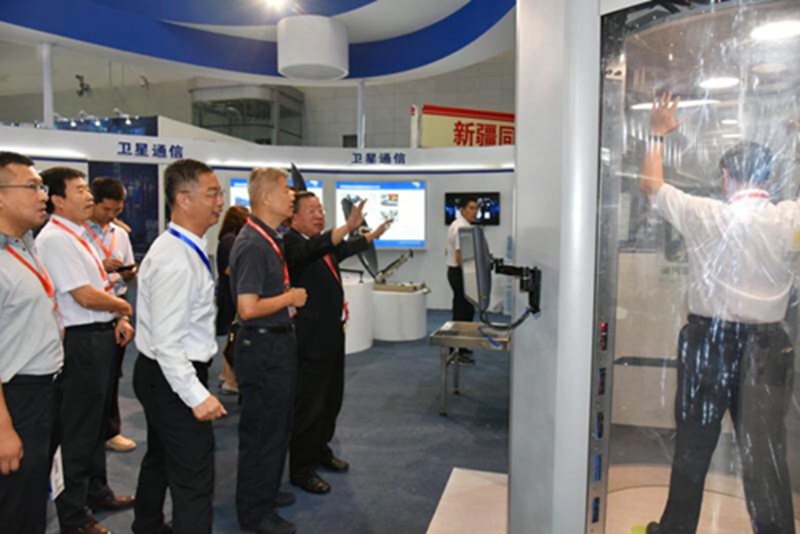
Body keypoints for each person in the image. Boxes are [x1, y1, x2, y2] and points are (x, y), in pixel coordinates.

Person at [642, 93, 800, 534]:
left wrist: (657, 133)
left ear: (726, 177)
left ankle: (676, 530)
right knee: (765, 453)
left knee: (693, 447)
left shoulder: (704, 214)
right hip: (768, 347)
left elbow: (651, 186)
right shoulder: (790, 219)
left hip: (708, 343)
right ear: (770, 177)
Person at [36, 166, 136, 534]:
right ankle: (74, 516)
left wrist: (117, 316)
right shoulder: (55, 239)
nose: (88, 195)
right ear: (57, 200)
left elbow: (101, 284)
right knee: (78, 431)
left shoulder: (79, 235)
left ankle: (97, 491)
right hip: (80, 341)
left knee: (95, 425)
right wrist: (122, 307)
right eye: (79, 189)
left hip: (99, 334)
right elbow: (83, 295)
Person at [132, 159, 227, 534]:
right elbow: (167, 342)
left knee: (160, 456)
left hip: (161, 372)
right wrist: (195, 395)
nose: (220, 201)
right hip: (172, 375)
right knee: (194, 476)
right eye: (212, 193)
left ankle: (147, 525)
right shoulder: (175, 260)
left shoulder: (183, 248)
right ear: (184, 199)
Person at [285, 191, 390, 494]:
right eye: (312, 210)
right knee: (309, 406)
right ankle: (301, 469)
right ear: (293, 217)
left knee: (331, 400)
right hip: (310, 340)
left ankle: (320, 450)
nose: (320, 215)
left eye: (321, 209)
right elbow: (314, 249)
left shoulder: (323, 246)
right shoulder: (292, 243)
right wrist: (346, 226)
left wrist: (372, 235)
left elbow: (344, 248)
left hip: (332, 336)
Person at [230, 167, 310, 534]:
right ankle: (254, 512)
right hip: (262, 345)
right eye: (285, 189)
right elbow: (247, 308)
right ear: (264, 197)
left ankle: (265, 493)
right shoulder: (252, 243)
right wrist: (290, 298)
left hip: (275, 342)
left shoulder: (269, 238)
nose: (292, 195)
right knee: (262, 432)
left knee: (276, 426)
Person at [0, 152, 64, 534]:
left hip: (42, 391)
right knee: (15, 503)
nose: (43, 195)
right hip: (15, 398)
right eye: (32, 187)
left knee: (32, 495)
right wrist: (3, 428)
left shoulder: (23, 243)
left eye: (42, 186)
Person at [86, 177, 137, 453]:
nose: (111, 215)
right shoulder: (78, 233)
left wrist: (128, 272)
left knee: (112, 373)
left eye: (117, 210)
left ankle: (110, 430)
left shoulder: (120, 234)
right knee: (88, 378)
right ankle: (91, 433)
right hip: (89, 306)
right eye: (106, 209)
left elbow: (128, 273)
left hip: (117, 303)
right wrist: (100, 265)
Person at [216, 204, 249, 395]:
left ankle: (227, 374)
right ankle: (229, 378)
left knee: (231, 335)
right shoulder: (230, 240)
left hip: (229, 291)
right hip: (229, 293)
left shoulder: (228, 239)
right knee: (232, 336)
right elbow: (229, 268)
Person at [445, 196, 479, 364]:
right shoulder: (460, 227)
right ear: (462, 210)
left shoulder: (464, 225)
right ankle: (455, 351)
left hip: (462, 273)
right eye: (471, 208)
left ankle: (462, 346)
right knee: (461, 312)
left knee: (467, 311)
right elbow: (460, 258)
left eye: (476, 208)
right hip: (460, 273)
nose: (475, 212)